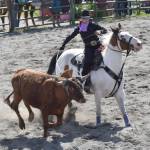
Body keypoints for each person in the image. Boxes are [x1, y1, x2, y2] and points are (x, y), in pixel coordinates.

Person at [59, 10, 107, 91]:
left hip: (98, 45)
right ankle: (85, 81)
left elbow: (105, 30)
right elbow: (71, 36)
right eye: (84, 18)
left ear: (89, 18)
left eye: (87, 18)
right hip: (88, 47)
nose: (85, 20)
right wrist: (63, 45)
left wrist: (99, 32)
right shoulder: (79, 28)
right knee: (87, 62)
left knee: (108, 58)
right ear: (81, 19)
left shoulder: (93, 25)